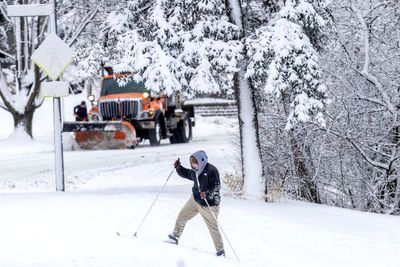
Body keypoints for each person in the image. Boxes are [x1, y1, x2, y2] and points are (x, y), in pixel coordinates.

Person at [167, 150, 225, 257]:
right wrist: (179, 168)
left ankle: (220, 251)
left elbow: (216, 188)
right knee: (181, 216)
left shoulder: (212, 170)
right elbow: (187, 173)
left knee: (213, 228)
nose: (193, 165)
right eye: (192, 163)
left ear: (202, 161)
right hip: (195, 200)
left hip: (209, 205)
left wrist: (207, 194)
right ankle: (175, 236)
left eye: (195, 162)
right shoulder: (194, 171)